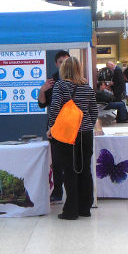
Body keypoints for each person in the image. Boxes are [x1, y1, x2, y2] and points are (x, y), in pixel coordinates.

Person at [47, 57, 98, 220]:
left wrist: (51, 128)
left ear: (63, 69)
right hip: (86, 133)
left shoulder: (60, 86)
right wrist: (87, 125)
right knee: (85, 169)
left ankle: (71, 210)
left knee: (70, 171)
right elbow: (94, 112)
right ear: (78, 69)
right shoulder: (87, 87)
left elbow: (55, 108)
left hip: (68, 135)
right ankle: (85, 208)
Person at [37, 50, 70, 204]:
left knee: (73, 162)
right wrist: (42, 90)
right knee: (57, 162)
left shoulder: (77, 80)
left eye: (66, 61)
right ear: (56, 64)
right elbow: (42, 104)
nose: (64, 64)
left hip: (73, 127)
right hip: (56, 128)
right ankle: (57, 193)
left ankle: (74, 193)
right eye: (61, 62)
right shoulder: (51, 81)